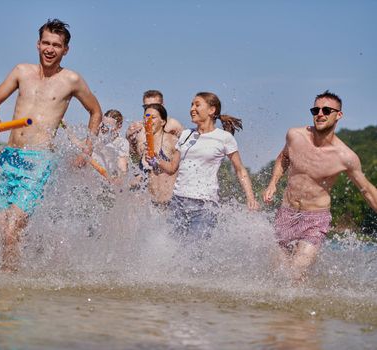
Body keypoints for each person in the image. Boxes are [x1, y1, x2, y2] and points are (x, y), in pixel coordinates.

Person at [0, 19, 102, 271]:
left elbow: (95, 112)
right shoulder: (21, 71)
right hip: (9, 156)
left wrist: (87, 149)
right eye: (46, 43)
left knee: (11, 229)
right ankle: (24, 264)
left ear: (65, 50)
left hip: (39, 161)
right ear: (38, 44)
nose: (50, 49)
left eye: (57, 45)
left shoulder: (72, 80)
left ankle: (9, 282)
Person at [262, 90, 377, 282]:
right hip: (286, 213)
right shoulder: (295, 136)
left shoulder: (345, 157)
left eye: (326, 110)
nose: (320, 114)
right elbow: (283, 158)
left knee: (297, 270)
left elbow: (367, 190)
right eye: (316, 110)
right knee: (278, 274)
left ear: (338, 115)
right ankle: (294, 311)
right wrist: (273, 183)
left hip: (315, 219)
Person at [150, 92, 259, 241]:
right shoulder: (186, 135)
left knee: (195, 253)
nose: (192, 109)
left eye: (197, 104)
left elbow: (240, 169)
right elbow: (172, 168)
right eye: (191, 105)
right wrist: (156, 161)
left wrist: (250, 197)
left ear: (211, 110)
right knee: (173, 251)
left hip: (204, 205)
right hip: (178, 202)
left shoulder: (224, 138)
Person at [138, 103, 178, 206]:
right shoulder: (144, 145)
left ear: (163, 121)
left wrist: (157, 160)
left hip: (169, 204)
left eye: (153, 117)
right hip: (151, 205)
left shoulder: (172, 140)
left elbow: (173, 168)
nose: (148, 120)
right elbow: (142, 175)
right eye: (146, 117)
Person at [126, 90, 183, 162]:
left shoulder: (173, 124)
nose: (150, 109)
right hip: (143, 170)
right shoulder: (137, 127)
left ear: (162, 106)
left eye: (154, 106)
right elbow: (131, 155)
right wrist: (129, 140)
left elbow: (187, 150)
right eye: (146, 106)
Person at [91, 109, 130, 181]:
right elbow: (81, 146)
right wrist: (67, 129)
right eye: (103, 125)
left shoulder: (122, 143)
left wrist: (119, 178)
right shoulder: (98, 139)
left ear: (119, 126)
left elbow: (122, 165)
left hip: (110, 182)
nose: (105, 128)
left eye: (109, 126)